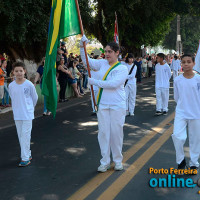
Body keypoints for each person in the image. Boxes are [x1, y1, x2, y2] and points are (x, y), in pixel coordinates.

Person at [80, 35, 128, 172]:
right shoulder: (101, 63)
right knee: (103, 133)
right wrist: (81, 46)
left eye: (109, 52)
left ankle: (118, 160)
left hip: (117, 104)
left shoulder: (122, 68)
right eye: (105, 51)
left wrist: (94, 82)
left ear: (117, 53)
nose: (106, 54)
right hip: (102, 104)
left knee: (116, 133)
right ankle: (105, 161)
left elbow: (113, 84)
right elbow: (86, 62)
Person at [172, 54, 200, 173]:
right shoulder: (177, 79)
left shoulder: (198, 79)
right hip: (181, 112)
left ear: (193, 63)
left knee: (195, 139)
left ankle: (194, 163)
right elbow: (176, 97)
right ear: (181, 64)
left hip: (196, 112)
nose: (186, 64)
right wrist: (183, 106)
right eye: (184, 62)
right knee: (177, 136)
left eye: (189, 62)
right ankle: (181, 160)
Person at [9, 62, 38, 166]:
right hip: (17, 115)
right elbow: (13, 98)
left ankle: (25, 158)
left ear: (24, 71)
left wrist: (30, 108)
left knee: (25, 136)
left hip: (27, 114)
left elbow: (35, 98)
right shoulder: (11, 85)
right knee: (21, 136)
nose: (19, 73)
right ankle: (28, 153)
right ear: (13, 72)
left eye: (21, 71)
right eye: (16, 71)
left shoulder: (29, 84)